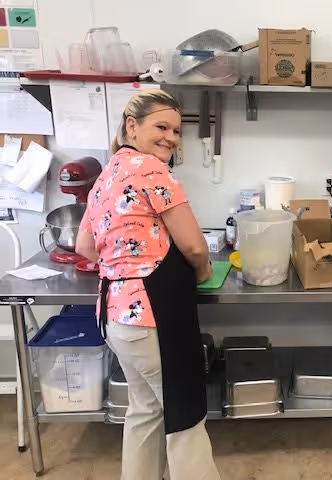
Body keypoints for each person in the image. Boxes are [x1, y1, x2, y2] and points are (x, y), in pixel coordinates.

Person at [75, 89, 221, 480]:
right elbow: (193, 244)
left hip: (114, 316)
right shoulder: (151, 170)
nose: (171, 137)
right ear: (132, 126)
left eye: (176, 130)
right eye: (162, 126)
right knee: (184, 414)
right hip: (150, 317)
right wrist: (203, 270)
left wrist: (125, 260)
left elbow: (85, 246)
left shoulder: (106, 176)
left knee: (144, 410)